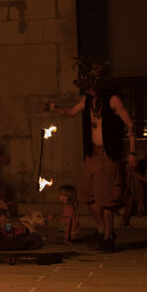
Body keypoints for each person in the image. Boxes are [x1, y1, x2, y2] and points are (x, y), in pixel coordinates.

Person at [50, 60, 136, 252]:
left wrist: (131, 152)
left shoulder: (113, 100)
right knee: (86, 194)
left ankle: (108, 237)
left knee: (105, 197)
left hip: (108, 155)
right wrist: (55, 108)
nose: (87, 89)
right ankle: (102, 230)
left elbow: (130, 125)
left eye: (89, 85)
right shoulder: (88, 100)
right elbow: (71, 112)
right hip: (92, 155)